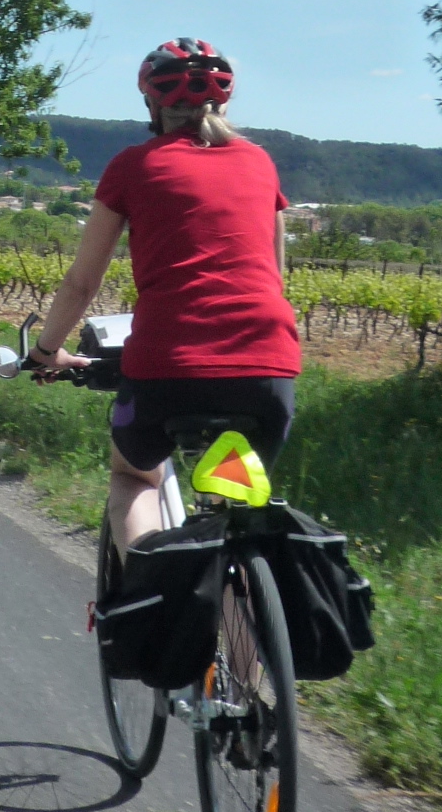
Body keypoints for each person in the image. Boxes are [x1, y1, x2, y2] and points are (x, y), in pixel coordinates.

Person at [28, 39, 299, 551]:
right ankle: (239, 577)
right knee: (233, 497)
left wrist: (47, 351)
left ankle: (148, 588)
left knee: (134, 476)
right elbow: (275, 278)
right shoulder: (261, 163)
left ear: (152, 104)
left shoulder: (134, 165)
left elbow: (82, 282)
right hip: (269, 371)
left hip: (169, 366)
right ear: (223, 102)